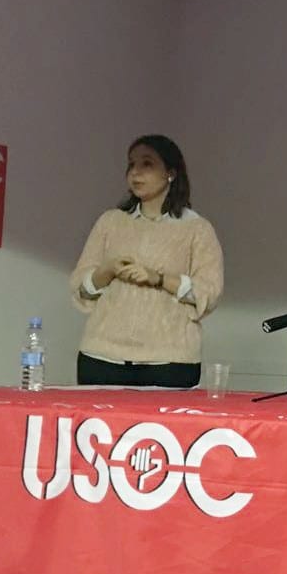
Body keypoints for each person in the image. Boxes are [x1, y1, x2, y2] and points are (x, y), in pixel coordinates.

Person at [69, 135, 224, 388]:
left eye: (147, 164)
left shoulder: (197, 229)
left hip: (169, 361)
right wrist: (107, 270)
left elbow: (209, 292)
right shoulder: (111, 221)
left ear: (170, 173)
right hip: (102, 356)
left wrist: (159, 279)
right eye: (131, 164)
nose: (135, 173)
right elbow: (80, 288)